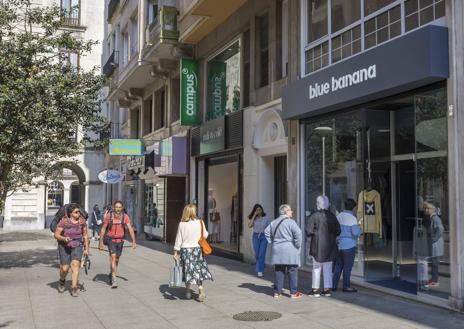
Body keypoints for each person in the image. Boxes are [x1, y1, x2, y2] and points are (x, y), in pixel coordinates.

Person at [173, 204, 213, 302]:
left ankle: (188, 291)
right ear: (193, 212)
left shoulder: (182, 224)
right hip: (197, 250)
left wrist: (175, 252)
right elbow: (205, 235)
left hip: (186, 250)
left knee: (187, 270)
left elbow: (178, 239)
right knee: (198, 269)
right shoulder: (200, 222)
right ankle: (200, 289)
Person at [264, 204, 303, 299]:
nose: (292, 211)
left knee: (279, 271)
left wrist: (272, 241)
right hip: (289, 249)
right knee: (292, 270)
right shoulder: (291, 222)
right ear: (285, 211)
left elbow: (266, 232)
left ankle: (277, 292)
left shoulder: (274, 222)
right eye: (290, 210)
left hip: (277, 249)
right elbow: (298, 233)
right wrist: (297, 245)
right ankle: (293, 293)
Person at [306, 195, 341, 297]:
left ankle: (315, 289)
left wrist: (313, 234)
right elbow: (338, 231)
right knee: (328, 268)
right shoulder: (332, 216)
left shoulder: (314, 216)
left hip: (317, 246)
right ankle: (327, 289)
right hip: (329, 246)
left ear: (318, 204)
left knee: (316, 268)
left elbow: (308, 231)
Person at [99, 200, 136, 288]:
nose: (118, 209)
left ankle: (112, 272)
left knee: (117, 259)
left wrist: (134, 241)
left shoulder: (125, 217)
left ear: (122, 208)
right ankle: (114, 280)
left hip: (120, 241)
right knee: (113, 258)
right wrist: (100, 242)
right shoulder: (109, 216)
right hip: (111, 240)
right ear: (114, 207)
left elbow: (130, 229)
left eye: (119, 207)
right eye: (116, 207)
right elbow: (103, 229)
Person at [54, 204, 89, 297]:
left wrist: (87, 249)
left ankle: (74, 287)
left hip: (77, 245)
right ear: (70, 213)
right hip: (64, 246)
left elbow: (85, 235)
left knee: (75, 265)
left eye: (79, 212)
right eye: (76, 212)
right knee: (65, 268)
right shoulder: (64, 222)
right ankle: (62, 281)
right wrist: (63, 238)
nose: (79, 214)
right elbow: (56, 235)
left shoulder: (82, 222)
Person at [332, 199, 362, 292]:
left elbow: (334, 230)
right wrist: (360, 228)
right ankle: (346, 286)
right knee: (347, 267)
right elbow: (355, 232)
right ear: (353, 207)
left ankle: (333, 285)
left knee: (338, 266)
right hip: (349, 246)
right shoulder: (352, 218)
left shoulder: (339, 216)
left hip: (339, 244)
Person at [424, 201, 444, 288]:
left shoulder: (435, 218)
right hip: (435, 242)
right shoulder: (432, 218)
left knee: (435, 262)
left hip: (436, 243)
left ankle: (435, 281)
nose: (426, 210)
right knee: (433, 262)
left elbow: (440, 229)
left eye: (428, 208)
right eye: (426, 208)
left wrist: (434, 239)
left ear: (433, 209)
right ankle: (433, 279)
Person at [248, 204, 271, 277]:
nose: (259, 211)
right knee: (257, 254)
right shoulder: (253, 218)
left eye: (260, 209)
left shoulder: (266, 217)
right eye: (257, 210)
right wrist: (254, 215)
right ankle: (262, 266)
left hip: (264, 236)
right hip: (255, 236)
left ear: (262, 210)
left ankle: (259, 270)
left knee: (262, 253)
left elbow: (269, 226)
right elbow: (250, 225)